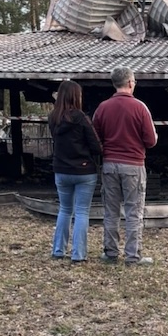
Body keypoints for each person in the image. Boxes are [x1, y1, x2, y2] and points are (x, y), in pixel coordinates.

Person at [93, 67, 158, 266]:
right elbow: (150, 140)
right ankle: (132, 256)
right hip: (133, 165)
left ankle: (110, 252)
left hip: (110, 165)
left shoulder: (102, 107)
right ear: (130, 83)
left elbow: (95, 138)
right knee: (134, 211)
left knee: (111, 211)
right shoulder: (140, 107)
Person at [48, 80, 103, 263]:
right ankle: (78, 254)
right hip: (84, 171)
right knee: (81, 212)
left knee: (64, 210)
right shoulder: (81, 117)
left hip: (61, 170)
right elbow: (96, 146)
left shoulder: (52, 118)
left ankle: (58, 250)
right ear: (76, 96)